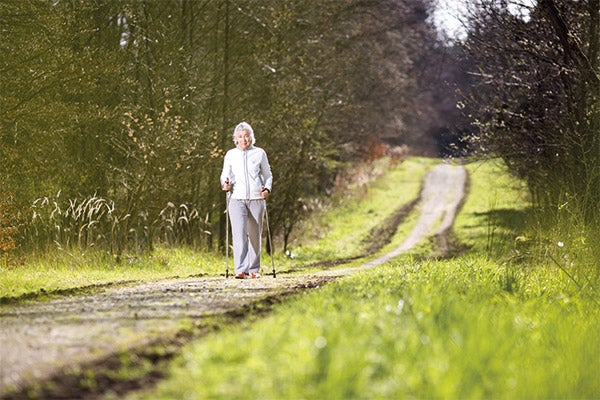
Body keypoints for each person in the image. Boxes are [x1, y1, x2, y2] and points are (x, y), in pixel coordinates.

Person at [221, 121, 273, 279]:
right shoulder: (231, 154)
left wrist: (267, 188)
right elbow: (225, 174)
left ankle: (254, 269)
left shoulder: (259, 153)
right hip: (237, 199)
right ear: (235, 139)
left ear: (251, 137)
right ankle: (240, 269)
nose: (244, 139)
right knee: (239, 234)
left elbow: (268, 174)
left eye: (246, 136)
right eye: (240, 137)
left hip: (257, 199)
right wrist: (225, 183)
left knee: (255, 235)